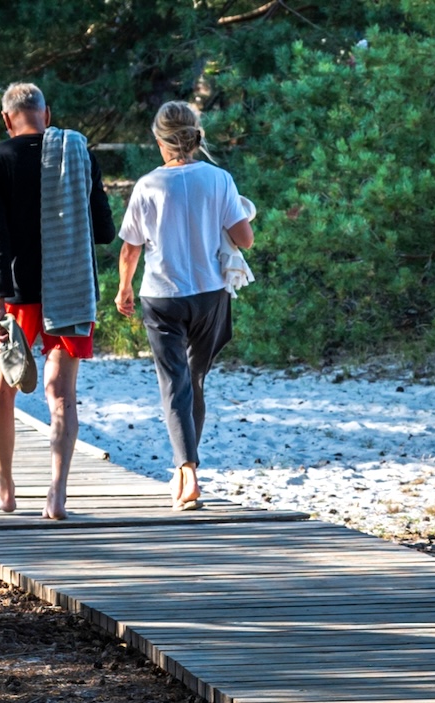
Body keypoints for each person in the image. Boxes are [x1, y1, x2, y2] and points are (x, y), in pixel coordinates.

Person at [0, 82, 115, 519]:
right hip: (70, 287)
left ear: (6, 119)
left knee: (1, 391)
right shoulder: (79, 153)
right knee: (62, 394)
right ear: (47, 114)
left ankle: (5, 490)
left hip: (14, 294)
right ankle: (56, 495)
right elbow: (104, 231)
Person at [114, 101, 254, 511]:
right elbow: (244, 239)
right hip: (209, 293)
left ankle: (186, 470)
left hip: (161, 296)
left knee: (173, 382)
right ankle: (186, 469)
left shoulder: (148, 185)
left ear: (159, 141)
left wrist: (124, 289)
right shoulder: (219, 179)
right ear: (196, 136)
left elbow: (130, 249)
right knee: (194, 381)